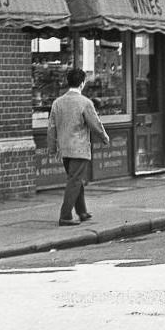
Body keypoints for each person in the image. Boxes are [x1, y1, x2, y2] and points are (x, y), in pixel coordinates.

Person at [47, 66, 110, 226]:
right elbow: (95, 123)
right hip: (79, 149)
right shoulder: (85, 102)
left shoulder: (57, 103)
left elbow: (51, 128)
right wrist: (104, 137)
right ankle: (65, 215)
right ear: (82, 83)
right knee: (74, 181)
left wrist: (52, 147)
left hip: (64, 150)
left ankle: (82, 212)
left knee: (76, 180)